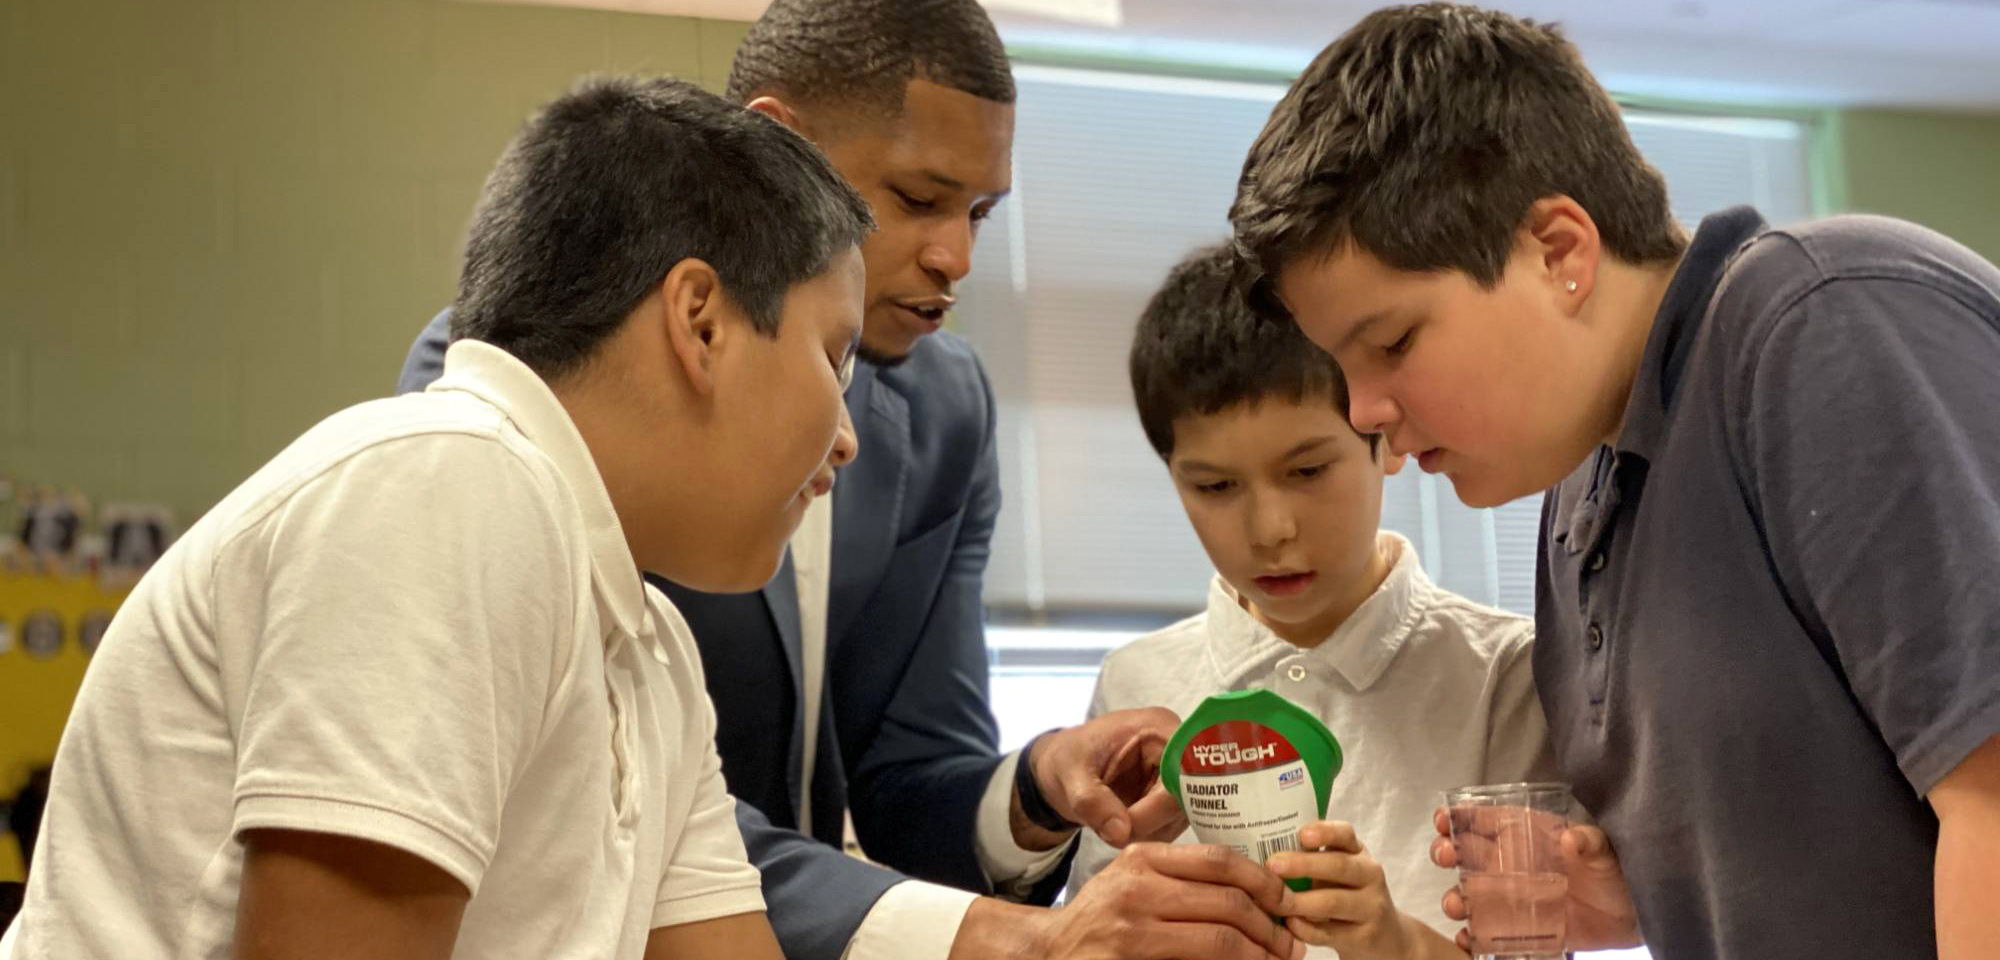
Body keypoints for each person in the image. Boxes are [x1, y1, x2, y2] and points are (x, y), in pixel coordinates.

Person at [397, 4, 1307, 960]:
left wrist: (1035, 788)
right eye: (918, 200)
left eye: (981, 214)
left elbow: (899, 775)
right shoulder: (509, 394)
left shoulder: (948, 407)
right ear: (779, 149)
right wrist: (1028, 944)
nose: (957, 255)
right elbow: (603, 812)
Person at [3, 75, 873, 960]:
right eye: (835, 359)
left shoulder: (652, 652)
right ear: (701, 323)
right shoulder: (449, 486)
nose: (845, 439)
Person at [1230, 4, 2000, 958]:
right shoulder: (1578, 492)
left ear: (1561, 251)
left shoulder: (1816, 325)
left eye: (1390, 343)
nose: (1364, 411)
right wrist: (1645, 891)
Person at [1070, 244, 1555, 959]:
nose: (1271, 530)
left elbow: (1535, 948)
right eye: (1214, 487)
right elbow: (1096, 932)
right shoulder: (1137, 685)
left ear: (1385, 437)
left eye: (1308, 470)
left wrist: (1393, 942)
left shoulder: (1504, 677)